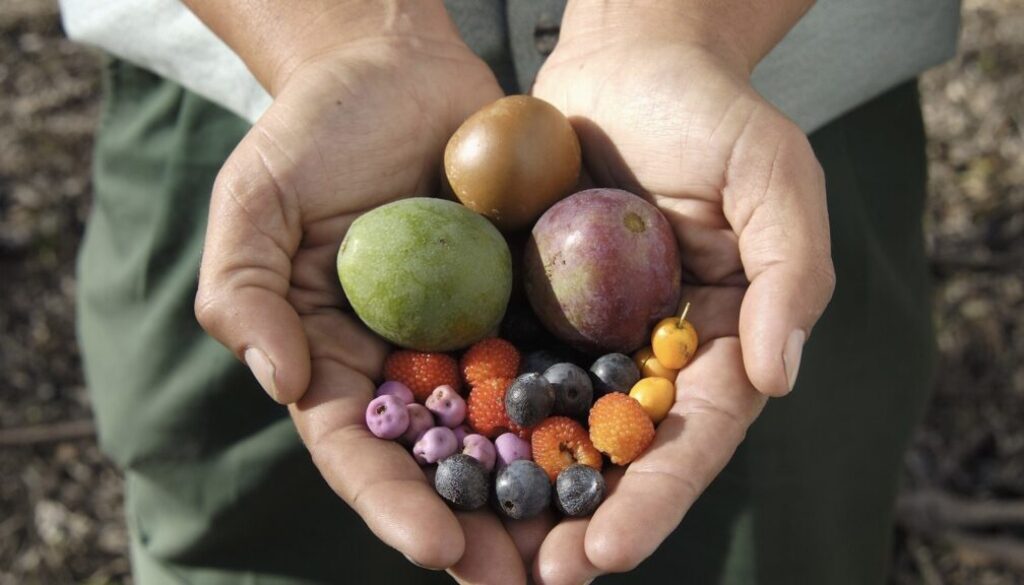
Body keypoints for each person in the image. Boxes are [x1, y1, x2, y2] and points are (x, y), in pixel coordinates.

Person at [63, 0, 961, 583]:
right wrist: (343, 33)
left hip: (771, 103)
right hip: (251, 91)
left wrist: (676, 31)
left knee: (779, 550)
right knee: (251, 540)